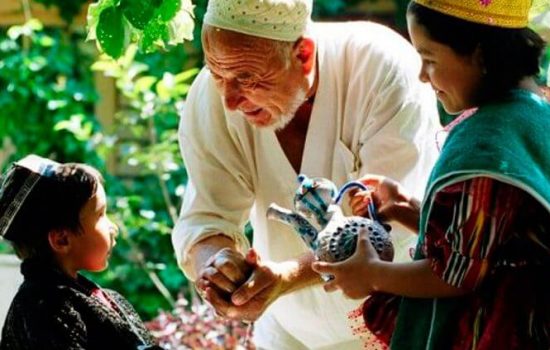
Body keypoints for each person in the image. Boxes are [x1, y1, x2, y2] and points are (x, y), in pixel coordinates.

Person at [171, 0, 441, 348]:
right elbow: (206, 217)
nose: (230, 100)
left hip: (395, 321)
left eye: (248, 78)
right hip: (288, 331)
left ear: (303, 54)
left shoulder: (381, 66)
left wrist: (289, 276)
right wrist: (219, 267)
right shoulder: (213, 92)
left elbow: (388, 228)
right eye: (217, 74)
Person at [312, 0, 550, 349]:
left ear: (481, 55)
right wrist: (406, 206)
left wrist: (372, 275)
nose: (422, 75)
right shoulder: (534, 114)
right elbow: (490, 237)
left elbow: (456, 275)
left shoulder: (487, 146)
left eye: (430, 59)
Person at [0, 155, 160, 350]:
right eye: (101, 215)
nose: (113, 227)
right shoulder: (43, 308)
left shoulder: (105, 299)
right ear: (62, 239)